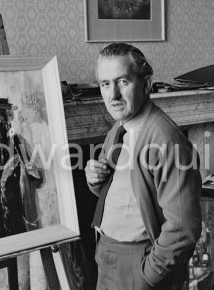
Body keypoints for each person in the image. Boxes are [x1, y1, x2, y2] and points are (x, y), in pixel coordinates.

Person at [85, 43, 202, 290]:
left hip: (137, 263)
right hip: (106, 253)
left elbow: (183, 228)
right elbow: (123, 194)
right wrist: (94, 179)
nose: (113, 95)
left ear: (146, 84)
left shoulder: (165, 139)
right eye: (105, 84)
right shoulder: (119, 128)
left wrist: (147, 276)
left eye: (123, 82)